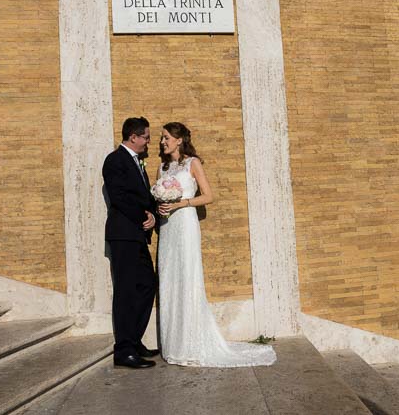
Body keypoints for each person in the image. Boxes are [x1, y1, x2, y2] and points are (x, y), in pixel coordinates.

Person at [156, 122, 276, 367]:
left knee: (188, 278)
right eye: (162, 138)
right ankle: (173, 345)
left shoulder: (193, 163)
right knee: (169, 279)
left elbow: (209, 196)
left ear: (179, 140)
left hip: (186, 225)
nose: (162, 142)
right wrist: (161, 206)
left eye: (166, 137)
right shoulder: (162, 167)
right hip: (168, 228)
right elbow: (160, 194)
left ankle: (190, 344)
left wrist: (181, 203)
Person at [102, 117, 160, 369]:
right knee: (126, 291)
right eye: (146, 137)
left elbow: (145, 199)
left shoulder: (138, 162)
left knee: (147, 284)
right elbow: (120, 197)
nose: (148, 142)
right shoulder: (115, 161)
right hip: (124, 234)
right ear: (134, 137)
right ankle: (123, 350)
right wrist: (142, 216)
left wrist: (153, 215)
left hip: (137, 235)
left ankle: (134, 340)